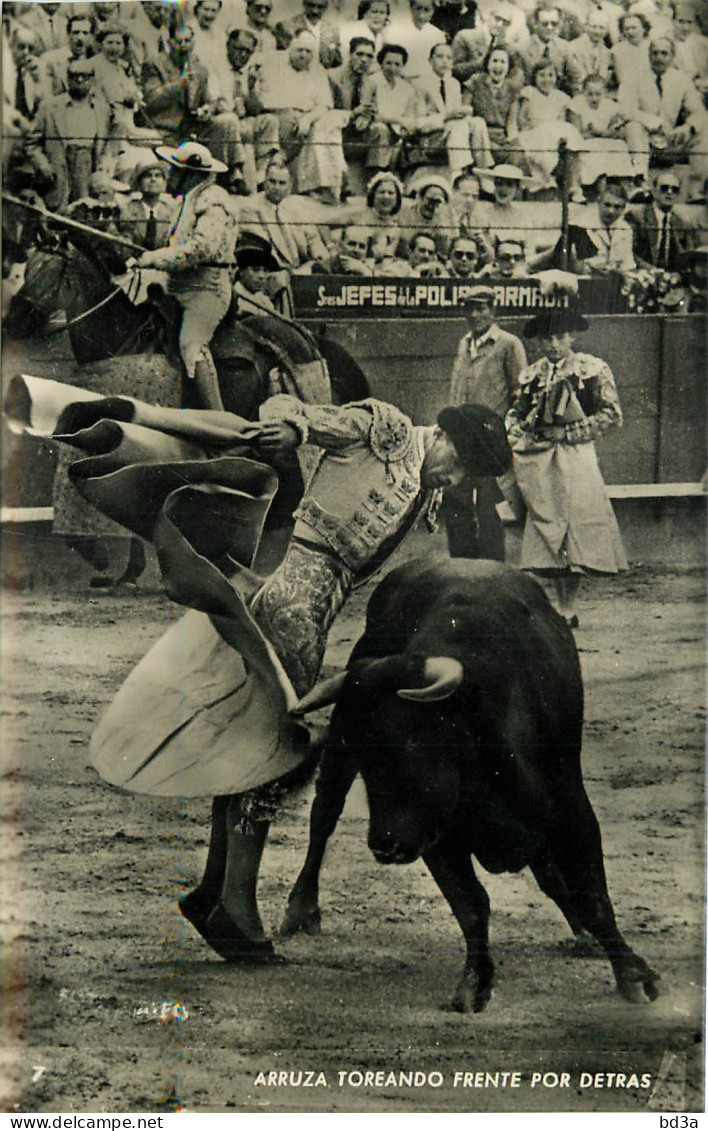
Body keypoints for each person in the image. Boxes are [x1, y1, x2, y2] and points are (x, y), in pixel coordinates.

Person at [178, 393, 512, 960]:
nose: (454, 480)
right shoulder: (391, 431)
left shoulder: (417, 480)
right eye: (461, 464)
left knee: (250, 750)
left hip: (304, 614)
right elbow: (301, 409)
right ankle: (237, 908)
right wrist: (289, 429)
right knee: (268, 754)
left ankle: (215, 890)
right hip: (293, 611)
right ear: (447, 438)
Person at [505, 307, 627, 625]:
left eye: (560, 337)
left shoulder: (592, 368)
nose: (554, 344)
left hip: (577, 458)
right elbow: (515, 415)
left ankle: (568, 606)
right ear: (539, 342)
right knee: (548, 532)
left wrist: (567, 432)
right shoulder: (532, 374)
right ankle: (562, 603)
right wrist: (515, 433)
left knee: (573, 531)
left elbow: (612, 415)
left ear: (572, 336)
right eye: (547, 338)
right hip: (540, 462)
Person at [133, 141, 238, 411]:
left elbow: (201, 249)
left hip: (206, 290)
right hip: (177, 286)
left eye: (175, 170)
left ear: (191, 174)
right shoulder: (186, 200)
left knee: (191, 344)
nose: (170, 174)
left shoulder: (213, 201)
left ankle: (219, 419)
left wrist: (155, 258)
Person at [442, 284, 527, 559]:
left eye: (481, 308)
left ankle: (493, 569)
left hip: (490, 441)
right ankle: (461, 566)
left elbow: (520, 393)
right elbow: (457, 388)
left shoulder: (509, 344)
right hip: (461, 439)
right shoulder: (464, 343)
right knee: (457, 503)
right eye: (469, 309)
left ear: (493, 311)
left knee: (490, 508)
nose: (475, 315)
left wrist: (506, 434)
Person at [414, 41, 494, 175]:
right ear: (430, 60)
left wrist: (464, 114)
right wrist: (447, 116)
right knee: (458, 127)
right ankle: (457, 174)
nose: (444, 61)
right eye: (440, 57)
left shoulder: (454, 84)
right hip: (430, 138)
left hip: (451, 134)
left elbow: (457, 117)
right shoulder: (420, 84)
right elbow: (418, 124)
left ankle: (484, 171)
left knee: (478, 122)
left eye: (448, 58)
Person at [239, 157, 330, 271]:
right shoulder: (250, 207)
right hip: (273, 271)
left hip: (303, 269)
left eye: (282, 183)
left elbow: (312, 239)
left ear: (290, 186)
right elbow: (263, 248)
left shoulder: (296, 206)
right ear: (264, 181)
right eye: (272, 181)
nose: (276, 187)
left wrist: (319, 260)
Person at [628, 169, 700, 271]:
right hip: (642, 272)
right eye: (664, 188)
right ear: (654, 190)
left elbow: (688, 254)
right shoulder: (638, 216)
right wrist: (651, 270)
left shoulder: (680, 222)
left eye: (674, 190)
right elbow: (629, 252)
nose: (669, 192)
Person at [117, 159, 180, 249]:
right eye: (148, 176)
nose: (153, 179)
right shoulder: (127, 210)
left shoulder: (172, 212)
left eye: (158, 176)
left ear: (164, 183)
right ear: (139, 182)